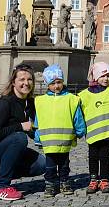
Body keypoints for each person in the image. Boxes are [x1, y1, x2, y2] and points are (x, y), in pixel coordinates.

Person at [0, 64, 46, 201]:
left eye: (29, 79)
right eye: (22, 79)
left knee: (42, 164)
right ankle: (2, 187)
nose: (26, 83)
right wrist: (20, 127)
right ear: (13, 82)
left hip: (5, 145)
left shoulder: (30, 103)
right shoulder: (4, 104)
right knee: (19, 138)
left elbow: (31, 129)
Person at [34, 64, 86, 197]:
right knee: (49, 166)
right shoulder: (40, 101)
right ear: (47, 84)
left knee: (64, 165)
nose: (56, 86)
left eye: (59, 82)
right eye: (53, 83)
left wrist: (80, 130)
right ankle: (50, 184)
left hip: (65, 140)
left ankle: (64, 181)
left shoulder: (71, 99)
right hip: (49, 143)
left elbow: (77, 116)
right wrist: (38, 136)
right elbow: (38, 120)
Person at [78, 62, 109, 194]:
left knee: (105, 156)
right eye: (103, 76)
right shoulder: (84, 94)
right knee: (93, 156)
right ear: (96, 77)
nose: (106, 79)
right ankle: (93, 179)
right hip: (93, 133)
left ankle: (104, 179)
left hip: (108, 131)